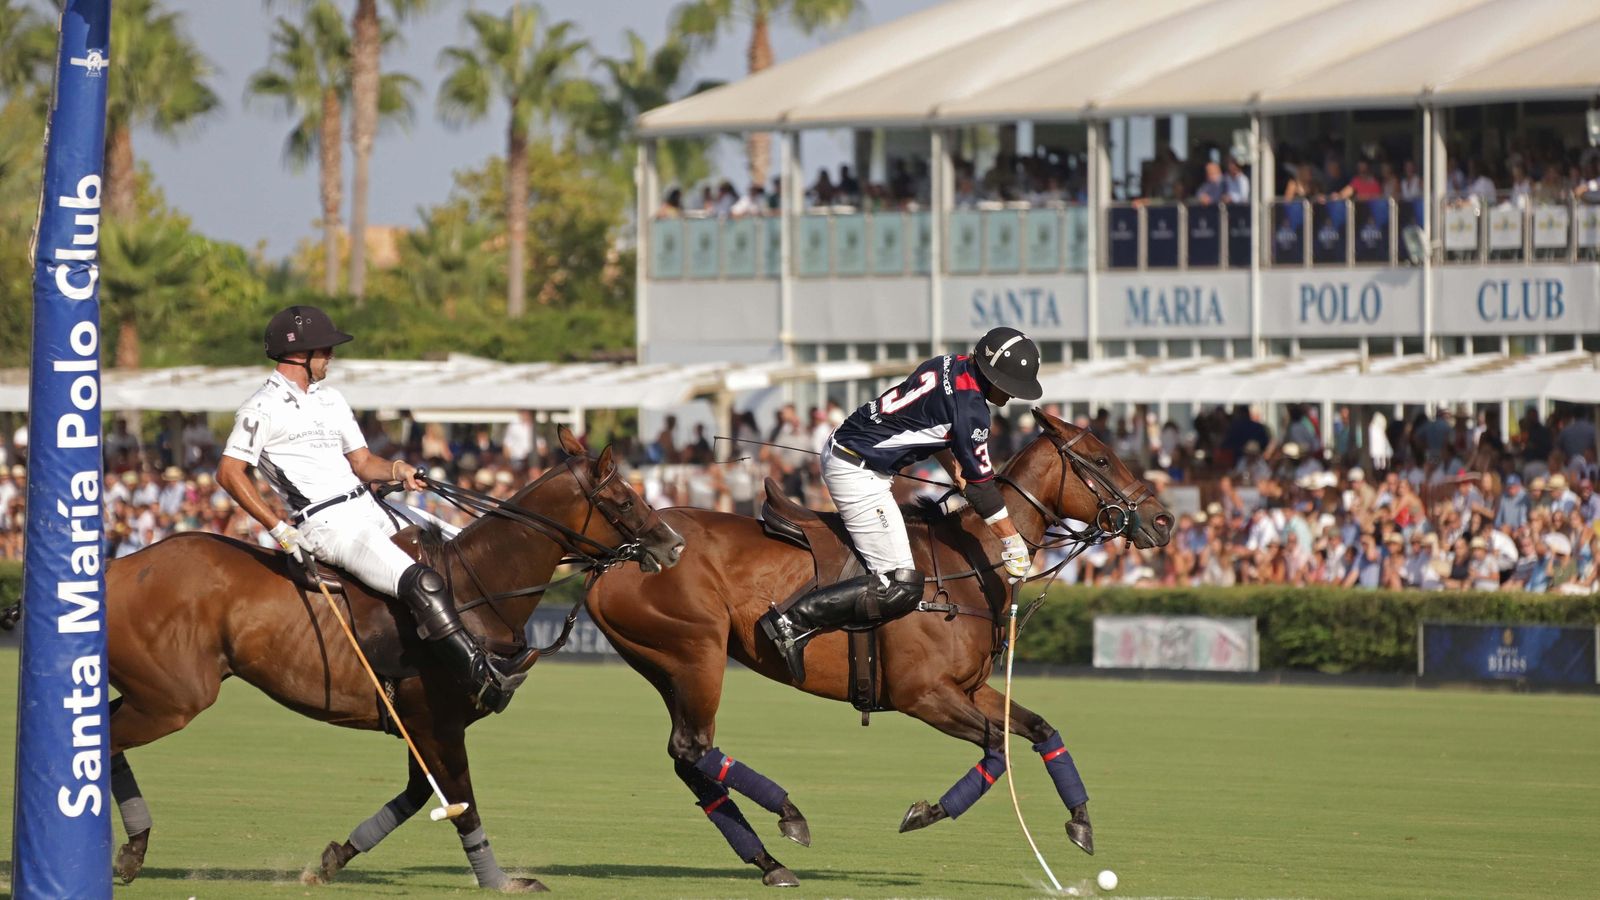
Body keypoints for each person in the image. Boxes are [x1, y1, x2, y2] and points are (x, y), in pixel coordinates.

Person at [217, 306, 517, 713]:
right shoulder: (261, 407)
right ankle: (479, 677)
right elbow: (229, 472)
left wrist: (397, 469)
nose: (331, 356)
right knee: (421, 580)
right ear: (301, 354)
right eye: (325, 349)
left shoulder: (331, 399)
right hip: (326, 523)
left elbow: (362, 462)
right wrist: (278, 528)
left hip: (368, 503)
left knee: (464, 547)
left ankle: (498, 645)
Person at [759, 326, 1043, 682]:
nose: (1012, 394)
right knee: (901, 584)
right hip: (857, 471)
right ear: (993, 375)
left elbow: (932, 423)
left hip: (849, 448)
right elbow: (984, 490)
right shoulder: (972, 410)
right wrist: (1012, 541)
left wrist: (954, 470)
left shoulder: (949, 364)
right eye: (1010, 385)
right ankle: (791, 622)